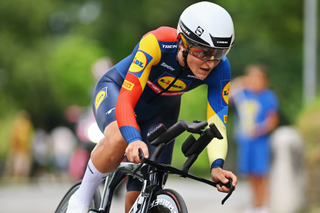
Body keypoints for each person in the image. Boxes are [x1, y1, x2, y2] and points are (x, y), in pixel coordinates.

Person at [67, 2, 237, 213]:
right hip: (117, 92)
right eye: (203, 52)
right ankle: (81, 201)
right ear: (182, 42)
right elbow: (126, 100)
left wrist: (217, 165)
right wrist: (133, 138)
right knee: (119, 138)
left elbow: (218, 120)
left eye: (219, 53)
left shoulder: (221, 69)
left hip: (162, 112)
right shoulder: (157, 42)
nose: (210, 62)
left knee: (147, 186)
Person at [229, 64, 279, 213]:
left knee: (261, 174)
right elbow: (228, 94)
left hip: (260, 141)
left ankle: (264, 206)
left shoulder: (268, 96)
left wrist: (259, 129)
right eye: (251, 78)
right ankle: (254, 204)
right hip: (245, 141)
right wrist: (241, 82)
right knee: (250, 174)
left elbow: (272, 120)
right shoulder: (243, 94)